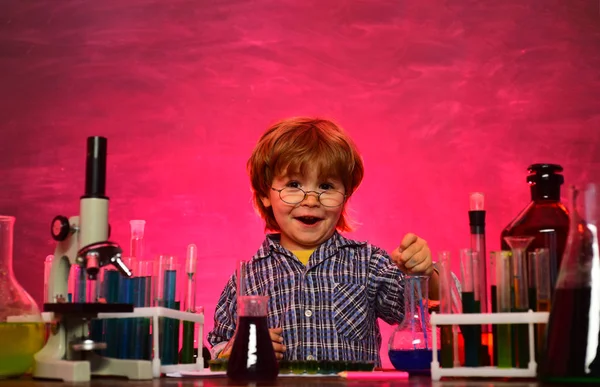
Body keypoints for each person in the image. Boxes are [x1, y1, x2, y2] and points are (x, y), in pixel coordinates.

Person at [207, 116, 440, 366]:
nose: (311, 199)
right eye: (294, 184)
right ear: (265, 194)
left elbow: (425, 310)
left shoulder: (369, 264)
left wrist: (426, 272)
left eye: (326, 186)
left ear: (345, 195)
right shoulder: (248, 278)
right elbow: (218, 346)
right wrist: (235, 351)